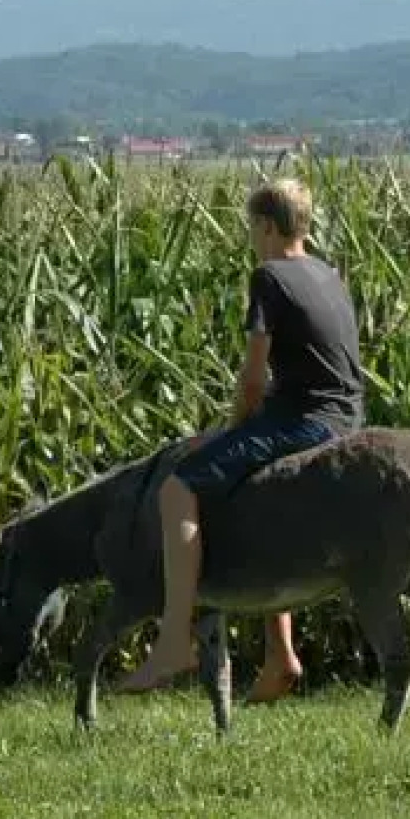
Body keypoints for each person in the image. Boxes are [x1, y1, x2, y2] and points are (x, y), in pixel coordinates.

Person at [119, 176, 366, 701]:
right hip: (346, 414)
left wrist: (237, 424)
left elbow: (253, 378)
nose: (250, 237)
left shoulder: (269, 278)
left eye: (251, 226)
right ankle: (281, 657)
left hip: (305, 420)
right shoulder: (327, 272)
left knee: (178, 489)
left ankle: (173, 641)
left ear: (267, 226)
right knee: (255, 495)